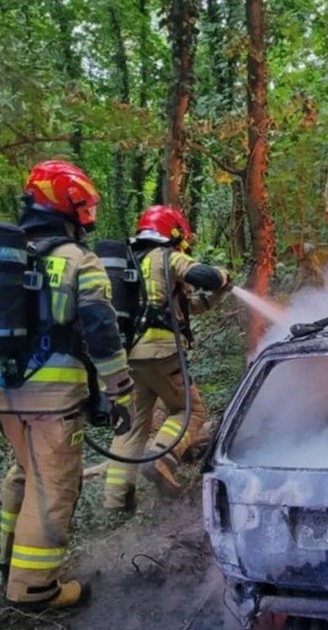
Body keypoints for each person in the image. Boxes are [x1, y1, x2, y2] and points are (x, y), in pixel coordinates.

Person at [0, 160, 133, 609]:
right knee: (54, 488)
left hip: (0, 392)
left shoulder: (6, 257)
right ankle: (34, 590)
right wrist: (119, 390)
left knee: (26, 473)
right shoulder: (77, 260)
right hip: (53, 400)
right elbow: (101, 328)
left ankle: (10, 560)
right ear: (72, 208)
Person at [102, 204, 230, 510]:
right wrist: (223, 277)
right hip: (162, 353)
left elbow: (181, 310)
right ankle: (162, 459)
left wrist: (217, 296)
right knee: (190, 411)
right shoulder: (167, 257)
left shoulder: (129, 264)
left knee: (132, 427)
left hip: (130, 358)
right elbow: (205, 276)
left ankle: (116, 502)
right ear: (173, 234)